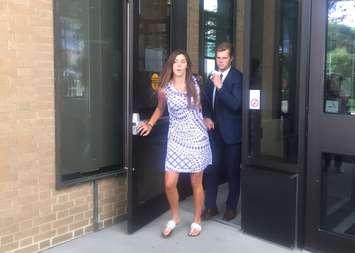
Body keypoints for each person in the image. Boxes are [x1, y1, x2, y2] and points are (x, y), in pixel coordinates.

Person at [137, 50, 212, 237]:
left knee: (196, 182)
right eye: (175, 62)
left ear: (187, 65)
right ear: (171, 65)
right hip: (176, 138)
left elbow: (203, 106)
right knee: (170, 183)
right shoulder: (164, 88)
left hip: (197, 138)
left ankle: (197, 219)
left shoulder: (195, 83)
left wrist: (206, 118)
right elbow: (160, 108)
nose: (179, 65)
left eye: (182, 61)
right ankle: (176, 217)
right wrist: (150, 124)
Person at [201, 42, 243, 221]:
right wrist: (206, 116)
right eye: (218, 57)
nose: (220, 61)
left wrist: (220, 86)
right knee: (211, 170)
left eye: (224, 57)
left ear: (231, 58)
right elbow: (205, 102)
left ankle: (231, 207)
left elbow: (236, 105)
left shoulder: (238, 78)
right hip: (213, 133)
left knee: (233, 171)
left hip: (232, 134)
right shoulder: (211, 77)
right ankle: (210, 207)